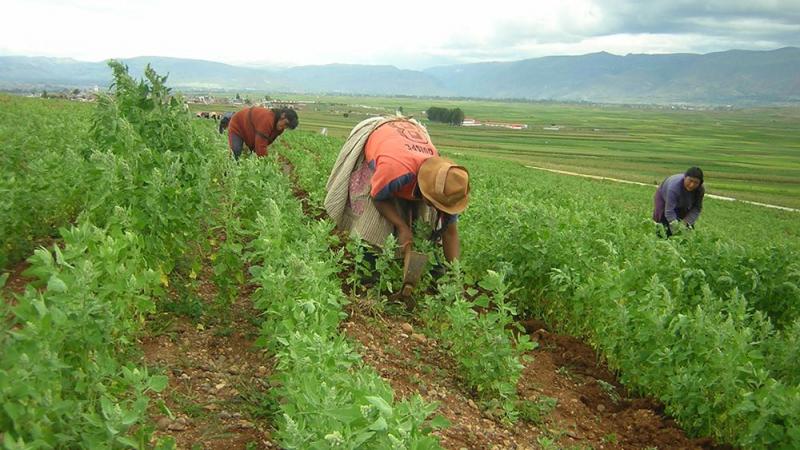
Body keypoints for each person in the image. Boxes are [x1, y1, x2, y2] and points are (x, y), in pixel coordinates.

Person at [325, 116, 469, 262]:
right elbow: (378, 198)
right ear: (426, 190)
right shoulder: (396, 170)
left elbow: (450, 232)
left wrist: (454, 274)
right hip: (380, 137)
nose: (439, 207)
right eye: (435, 202)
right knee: (373, 219)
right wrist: (401, 226)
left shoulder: (451, 187)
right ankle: (369, 259)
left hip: (407, 144)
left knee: (422, 219)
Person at [226, 106, 298, 160]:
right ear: (283, 115)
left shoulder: (280, 128)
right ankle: (228, 174)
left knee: (249, 156)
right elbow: (261, 145)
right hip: (238, 125)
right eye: (285, 123)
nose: (284, 127)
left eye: (287, 127)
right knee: (236, 151)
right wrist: (265, 162)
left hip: (250, 130)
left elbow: (266, 141)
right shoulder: (267, 119)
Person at [652, 166, 705, 237]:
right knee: (663, 226)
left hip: (684, 202)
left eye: (696, 182)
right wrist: (676, 228)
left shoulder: (700, 190)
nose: (692, 185)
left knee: (687, 230)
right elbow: (669, 211)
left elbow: (696, 208)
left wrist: (686, 223)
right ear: (685, 178)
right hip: (664, 197)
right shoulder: (673, 188)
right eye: (690, 180)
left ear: (700, 183)